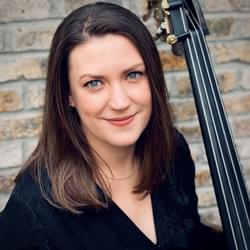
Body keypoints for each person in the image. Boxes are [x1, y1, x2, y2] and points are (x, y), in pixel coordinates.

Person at [0, 2, 227, 250]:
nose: (120, 102)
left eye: (133, 75)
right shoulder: (31, 212)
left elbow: (189, 236)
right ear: (68, 95)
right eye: (94, 83)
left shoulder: (172, 151)